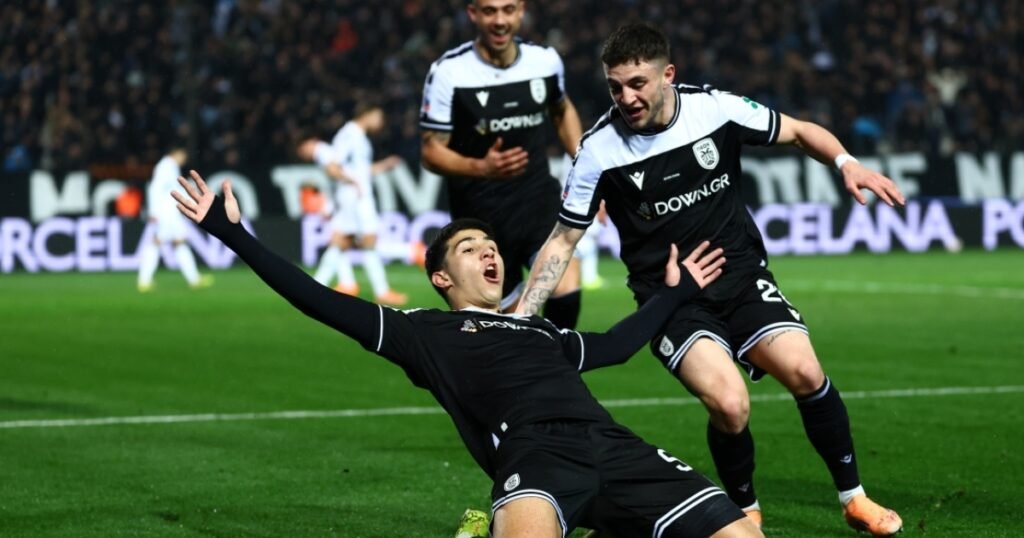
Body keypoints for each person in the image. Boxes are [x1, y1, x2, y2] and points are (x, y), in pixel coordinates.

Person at [171, 169, 762, 538]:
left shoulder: (541, 331)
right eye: (469, 247)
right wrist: (234, 234)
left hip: (614, 445)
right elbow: (318, 300)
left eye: (491, 245)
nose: (489, 252)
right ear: (441, 278)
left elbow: (617, 345)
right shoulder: (424, 332)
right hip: (535, 456)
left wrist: (675, 293)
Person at [517, 24, 905, 537]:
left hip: (741, 278)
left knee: (806, 373)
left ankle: (854, 499)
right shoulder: (599, 151)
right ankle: (746, 509)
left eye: (637, 83)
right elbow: (563, 240)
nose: (626, 98)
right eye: (615, 87)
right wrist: (520, 319)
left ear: (667, 75)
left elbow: (798, 130)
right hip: (672, 300)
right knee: (729, 403)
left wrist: (846, 162)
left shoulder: (714, 109)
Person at [419, 0, 583, 328]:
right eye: (489, 11)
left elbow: (562, 110)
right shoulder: (449, 72)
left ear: (521, 10)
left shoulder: (544, 61)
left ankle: (558, 358)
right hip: (481, 213)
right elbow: (430, 151)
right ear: (473, 14)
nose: (499, 20)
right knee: (508, 320)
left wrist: (586, 167)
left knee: (565, 286)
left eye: (508, 10)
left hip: (536, 197)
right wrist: (482, 167)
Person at [298, 102, 407, 306]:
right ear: (368, 113)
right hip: (354, 196)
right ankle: (382, 291)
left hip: (354, 194)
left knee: (342, 241)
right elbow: (333, 165)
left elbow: (360, 170)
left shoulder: (358, 136)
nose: (381, 122)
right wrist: (352, 182)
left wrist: (384, 165)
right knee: (367, 240)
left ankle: (317, 287)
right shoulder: (350, 134)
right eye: (378, 116)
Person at [136, 146, 212, 292]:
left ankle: (193, 279)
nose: (185, 159)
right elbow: (155, 188)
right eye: (183, 155)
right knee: (160, 242)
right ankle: (144, 280)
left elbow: (172, 188)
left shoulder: (170, 166)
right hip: (166, 213)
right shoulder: (166, 166)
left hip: (170, 212)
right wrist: (154, 211)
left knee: (177, 242)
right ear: (176, 153)